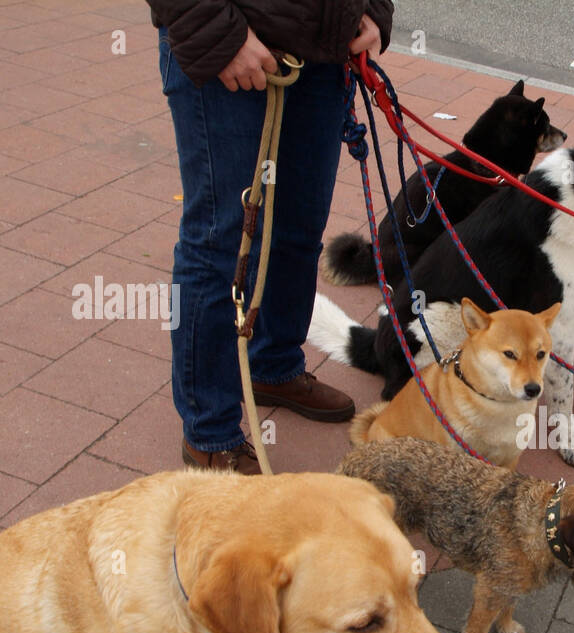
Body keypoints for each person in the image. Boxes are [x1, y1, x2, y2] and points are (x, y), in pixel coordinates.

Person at [147, 0, 394, 473]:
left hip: (322, 55)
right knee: (222, 241)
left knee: (299, 231)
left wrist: (373, 10)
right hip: (229, 45)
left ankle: (272, 365)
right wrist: (218, 35)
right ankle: (209, 433)